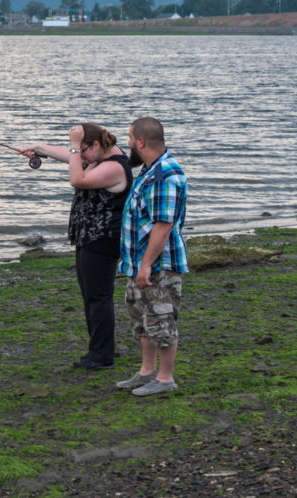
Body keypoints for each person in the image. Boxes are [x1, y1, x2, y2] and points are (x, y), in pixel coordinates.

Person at [21, 123, 132, 370]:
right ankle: (99, 349)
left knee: (98, 298)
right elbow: (67, 156)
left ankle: (102, 356)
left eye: (81, 150)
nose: (77, 155)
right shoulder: (97, 157)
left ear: (95, 145)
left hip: (102, 239)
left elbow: (77, 180)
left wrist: (73, 149)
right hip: (88, 237)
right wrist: (38, 147)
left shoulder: (114, 166)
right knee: (91, 297)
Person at [115, 117, 188, 396]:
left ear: (141, 141)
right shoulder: (149, 170)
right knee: (142, 319)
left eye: (130, 138)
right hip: (139, 264)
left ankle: (165, 378)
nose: (129, 143)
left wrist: (146, 264)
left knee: (161, 319)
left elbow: (163, 224)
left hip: (158, 265)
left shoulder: (165, 175)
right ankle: (146, 372)